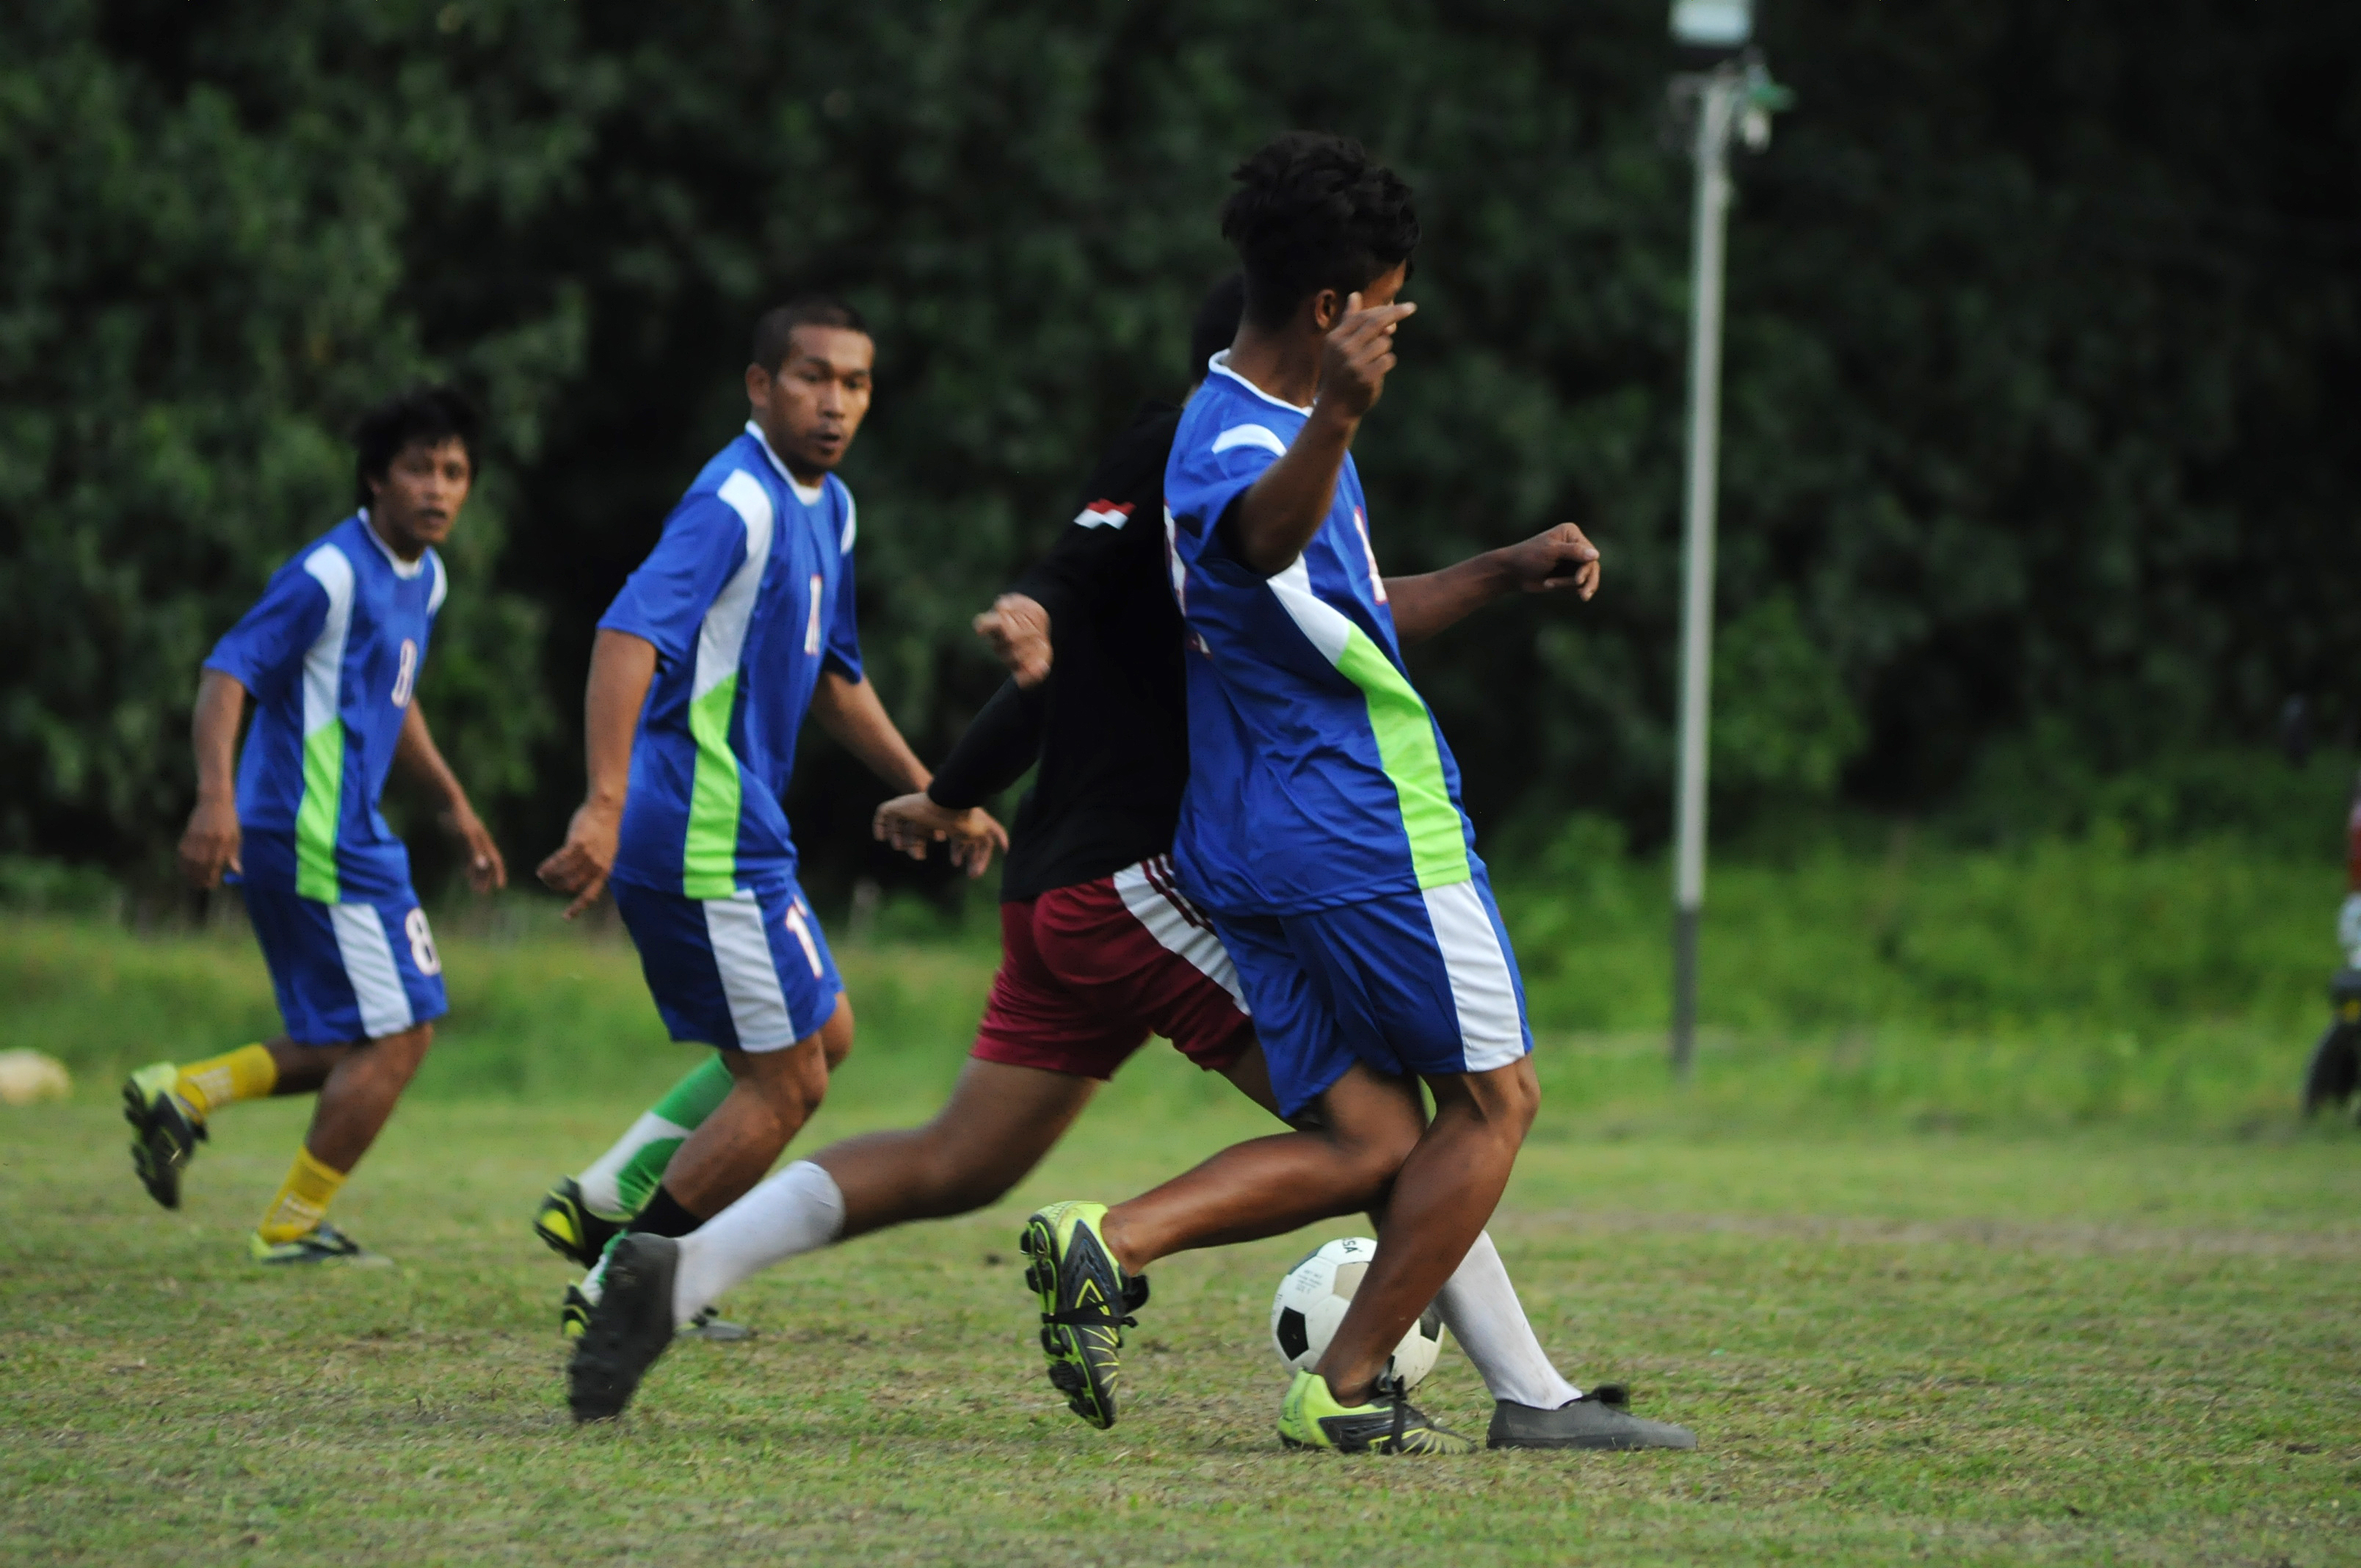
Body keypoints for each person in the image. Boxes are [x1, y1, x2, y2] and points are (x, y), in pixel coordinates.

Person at [565, 277, 1677, 1453]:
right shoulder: (1194, 446)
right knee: (1387, 1132)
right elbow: (1072, 587)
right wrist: (1026, 624)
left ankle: (677, 1268)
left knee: (957, 1161)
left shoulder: (1249, 471)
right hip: (1132, 885)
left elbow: (1279, 626)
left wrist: (951, 789)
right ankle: (1504, 1384)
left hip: (1063, 892)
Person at [1019, 133, 1694, 1456]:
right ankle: (1344, 1385)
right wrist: (1337, 411)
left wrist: (1503, 568)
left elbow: (1333, 606)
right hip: (1359, 827)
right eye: (1388, 298)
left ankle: (1119, 1241)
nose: (1400, 322)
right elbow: (1258, 534)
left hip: (1262, 840)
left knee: (1376, 1131)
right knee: (1496, 1106)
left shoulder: (1241, 419)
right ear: (1334, 311)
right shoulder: (1256, 440)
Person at [534, 296, 1003, 1343]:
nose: (834, 403)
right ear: (760, 386)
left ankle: (609, 1196)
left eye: (855, 383)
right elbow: (624, 635)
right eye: (811, 378)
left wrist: (938, 787)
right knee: (786, 1083)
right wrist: (603, 805)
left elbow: (834, 678)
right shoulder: (734, 502)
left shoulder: (827, 507)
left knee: (822, 1036)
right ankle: (628, 1279)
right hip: (700, 834)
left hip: (740, 833)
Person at [124, 385, 508, 1264]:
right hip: (313, 834)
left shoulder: (427, 577)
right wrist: (214, 798)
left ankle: (183, 1094)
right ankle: (291, 1225)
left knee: (341, 1037)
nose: (438, 489)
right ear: (376, 478)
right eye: (419, 468)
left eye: (454, 473)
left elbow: (393, 700)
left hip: (334, 833)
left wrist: (453, 804)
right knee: (403, 1036)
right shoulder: (331, 572)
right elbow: (228, 672)